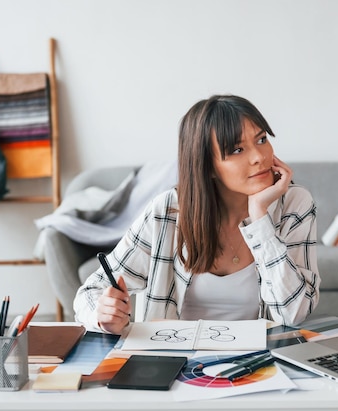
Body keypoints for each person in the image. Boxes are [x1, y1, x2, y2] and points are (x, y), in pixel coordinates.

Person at [74, 95, 320, 334]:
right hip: (175, 363)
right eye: (237, 149)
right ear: (207, 166)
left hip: (259, 364)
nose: (259, 157)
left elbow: (293, 314)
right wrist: (102, 314)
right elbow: (90, 292)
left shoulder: (294, 204)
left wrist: (260, 219)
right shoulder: (167, 211)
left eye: (262, 139)